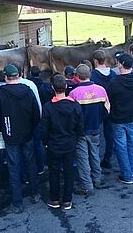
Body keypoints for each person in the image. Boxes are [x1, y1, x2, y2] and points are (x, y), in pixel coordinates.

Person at [0, 64, 40, 213]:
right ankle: (35, 193)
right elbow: (36, 113)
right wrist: (31, 127)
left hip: (10, 134)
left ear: (6, 77)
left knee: (13, 168)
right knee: (30, 163)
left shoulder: (0, 94)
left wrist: (3, 130)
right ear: (19, 75)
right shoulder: (28, 91)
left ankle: (18, 202)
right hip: (27, 134)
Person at [42, 74, 84, 210]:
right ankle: (67, 199)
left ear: (52, 88)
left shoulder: (48, 107)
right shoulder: (75, 105)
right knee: (69, 171)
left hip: (53, 144)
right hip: (69, 143)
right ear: (66, 87)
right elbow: (80, 126)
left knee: (53, 171)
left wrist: (45, 142)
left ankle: (54, 199)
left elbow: (44, 129)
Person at [69, 64, 109, 196]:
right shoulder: (101, 90)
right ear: (90, 74)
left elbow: (71, 115)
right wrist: (99, 120)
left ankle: (87, 185)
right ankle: (97, 178)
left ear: (77, 76)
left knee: (82, 157)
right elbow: (107, 109)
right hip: (95, 128)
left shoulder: (74, 93)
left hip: (80, 131)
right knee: (95, 153)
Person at [108, 53, 133, 184]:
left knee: (121, 146)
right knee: (130, 144)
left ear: (121, 64)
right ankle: (130, 171)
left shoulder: (114, 82)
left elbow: (109, 99)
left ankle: (126, 174)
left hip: (118, 118)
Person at [90, 50, 115, 170]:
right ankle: (107, 158)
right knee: (109, 133)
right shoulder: (113, 74)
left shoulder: (93, 75)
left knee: (95, 134)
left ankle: (95, 160)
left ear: (95, 61)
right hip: (110, 107)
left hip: (96, 108)